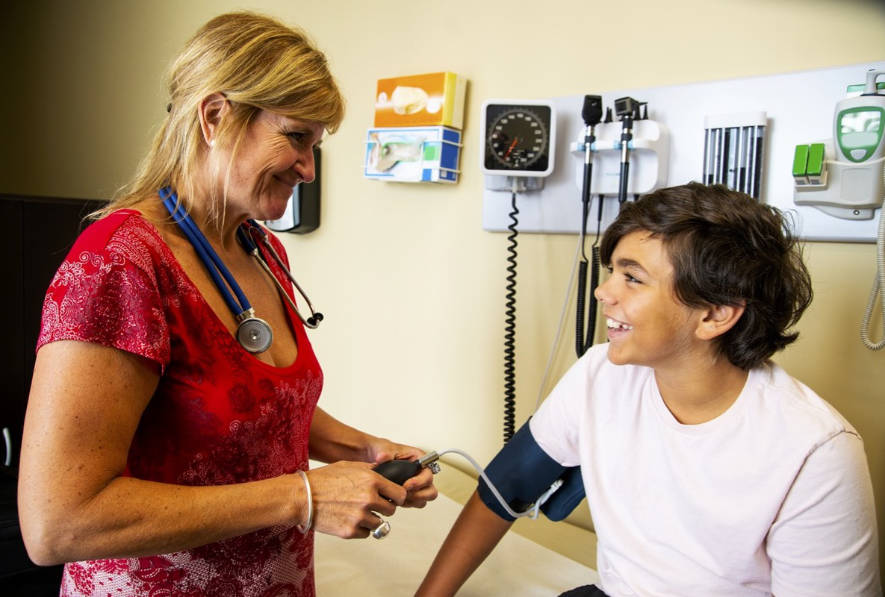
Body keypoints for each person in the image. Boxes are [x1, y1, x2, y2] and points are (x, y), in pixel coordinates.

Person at [17, 11, 436, 597]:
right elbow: (57, 522)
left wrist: (362, 450)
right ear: (215, 116)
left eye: (316, 146)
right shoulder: (119, 264)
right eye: (295, 137)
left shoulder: (259, 250)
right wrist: (303, 495)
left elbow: (247, 405)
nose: (308, 169)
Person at [417, 183, 880, 596]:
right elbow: (505, 488)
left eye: (632, 278)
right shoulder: (599, 374)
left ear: (715, 315)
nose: (603, 292)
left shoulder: (815, 452)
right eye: (613, 270)